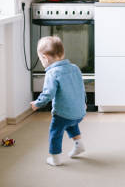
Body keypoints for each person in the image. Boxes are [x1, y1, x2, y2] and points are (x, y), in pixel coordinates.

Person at [31, 36, 87, 166]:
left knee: (55, 132)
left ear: (45, 57)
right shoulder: (75, 68)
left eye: (41, 59)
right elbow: (81, 88)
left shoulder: (52, 73)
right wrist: (83, 103)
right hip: (79, 112)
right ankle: (79, 144)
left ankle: (55, 158)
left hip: (62, 114)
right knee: (72, 123)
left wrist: (37, 103)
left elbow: (48, 94)